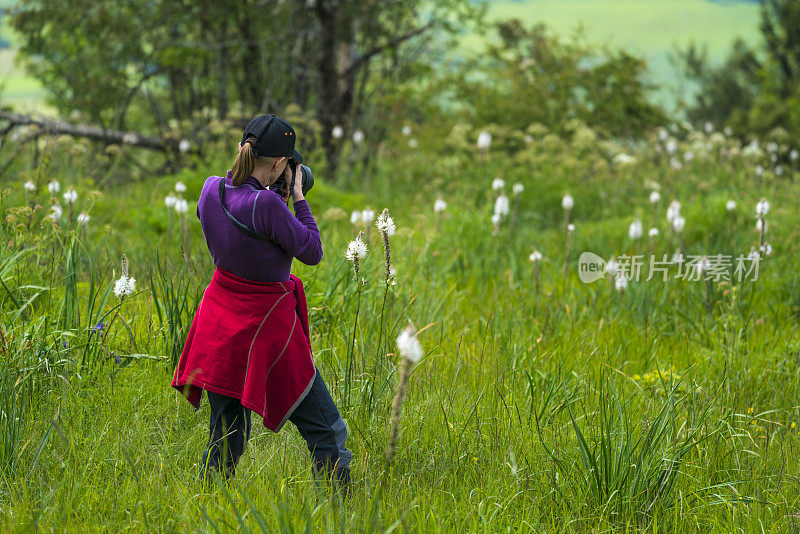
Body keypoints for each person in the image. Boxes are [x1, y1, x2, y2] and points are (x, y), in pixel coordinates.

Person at [170, 113, 351, 496]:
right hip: (266, 330)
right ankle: (341, 507)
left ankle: (209, 501)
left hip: (219, 323)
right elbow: (313, 251)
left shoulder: (209, 190)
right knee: (325, 426)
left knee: (227, 432)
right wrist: (297, 199)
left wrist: (270, 194)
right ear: (280, 164)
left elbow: (223, 216)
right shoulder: (269, 207)